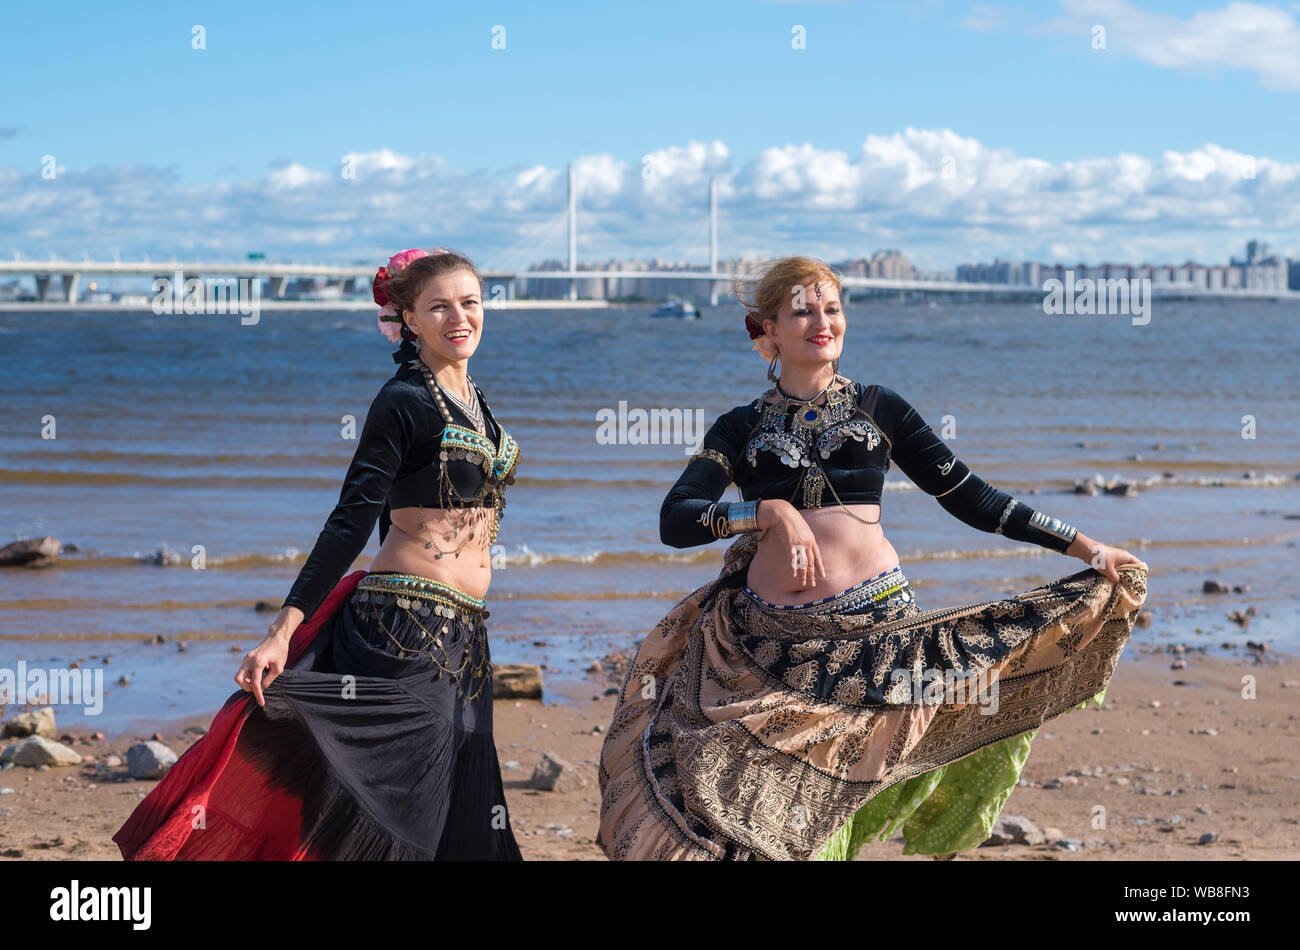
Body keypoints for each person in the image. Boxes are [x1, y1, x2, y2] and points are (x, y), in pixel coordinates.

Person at [596, 256, 1148, 861]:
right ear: (767, 330)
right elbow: (677, 518)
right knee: (734, 808)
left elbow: (970, 497)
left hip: (877, 634)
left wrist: (1087, 547)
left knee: (832, 811)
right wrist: (767, 513)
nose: (821, 321)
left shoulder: (879, 408)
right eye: (802, 311)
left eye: (831, 308)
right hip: (765, 648)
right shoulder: (740, 427)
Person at [114, 248, 523, 860]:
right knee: (403, 807)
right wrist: (283, 630)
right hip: (403, 629)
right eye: (438, 306)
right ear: (408, 318)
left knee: (463, 806)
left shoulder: (477, 401)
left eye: (470, 302)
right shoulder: (402, 400)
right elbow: (354, 517)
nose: (458, 317)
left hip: (465, 637)